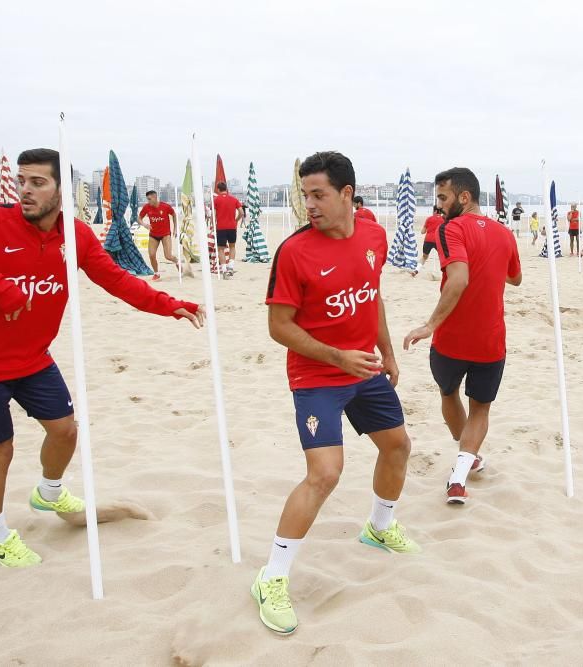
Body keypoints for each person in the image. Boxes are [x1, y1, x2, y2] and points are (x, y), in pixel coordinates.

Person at [0, 148, 203, 568]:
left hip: (32, 358)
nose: (26, 191)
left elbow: (118, 280)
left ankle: (48, 492)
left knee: (65, 430)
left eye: (38, 183)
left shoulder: (77, 234)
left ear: (63, 191)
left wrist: (168, 304)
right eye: (23, 181)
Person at [255, 151, 419, 635]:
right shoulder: (295, 251)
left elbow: (373, 295)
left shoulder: (374, 234)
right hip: (317, 377)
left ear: (347, 194)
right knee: (325, 474)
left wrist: (386, 351)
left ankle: (379, 526)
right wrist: (337, 357)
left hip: (364, 369)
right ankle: (272, 578)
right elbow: (278, 327)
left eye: (319, 194)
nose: (310, 204)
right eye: (305, 195)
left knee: (398, 447)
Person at [403, 167, 522, 505]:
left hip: (452, 338)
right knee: (480, 409)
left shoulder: (450, 229)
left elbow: (458, 279)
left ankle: (463, 463)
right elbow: (515, 278)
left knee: (448, 393)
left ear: (464, 197)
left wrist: (429, 324)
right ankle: (463, 468)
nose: (438, 205)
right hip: (490, 338)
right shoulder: (504, 233)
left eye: (443, 197)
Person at [137, 190, 178, 280]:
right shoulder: (146, 207)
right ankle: (156, 273)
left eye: (149, 199)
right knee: (151, 255)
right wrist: (144, 224)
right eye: (147, 199)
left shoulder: (165, 206)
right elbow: (139, 218)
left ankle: (177, 262)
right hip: (153, 235)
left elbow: (174, 215)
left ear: (155, 197)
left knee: (168, 256)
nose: (148, 201)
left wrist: (175, 228)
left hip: (165, 234)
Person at [213, 182, 243, 277]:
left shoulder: (216, 200)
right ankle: (231, 267)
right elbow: (241, 212)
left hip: (221, 227)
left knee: (221, 249)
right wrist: (236, 220)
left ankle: (224, 270)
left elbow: (213, 215)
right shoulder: (234, 199)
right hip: (232, 227)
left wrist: (212, 223)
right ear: (226, 189)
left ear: (218, 189)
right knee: (232, 246)